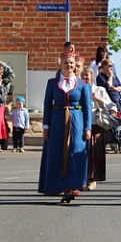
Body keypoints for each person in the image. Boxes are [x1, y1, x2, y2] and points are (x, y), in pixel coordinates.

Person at [38, 53, 93, 203]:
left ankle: (72, 186)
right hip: (57, 119)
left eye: (71, 63)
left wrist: (87, 127)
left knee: (75, 150)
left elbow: (87, 107)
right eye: (65, 63)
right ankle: (57, 185)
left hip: (77, 119)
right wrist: (46, 125)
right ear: (60, 64)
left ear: (75, 65)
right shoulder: (52, 83)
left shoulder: (82, 84)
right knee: (57, 151)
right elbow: (47, 105)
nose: (68, 66)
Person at [80, 67, 106, 190]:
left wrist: (97, 98)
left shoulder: (99, 90)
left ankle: (93, 179)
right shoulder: (78, 89)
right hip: (82, 125)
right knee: (82, 153)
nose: (85, 77)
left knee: (95, 153)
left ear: (92, 76)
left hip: (96, 125)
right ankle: (82, 178)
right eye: (83, 75)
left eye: (87, 75)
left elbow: (111, 106)